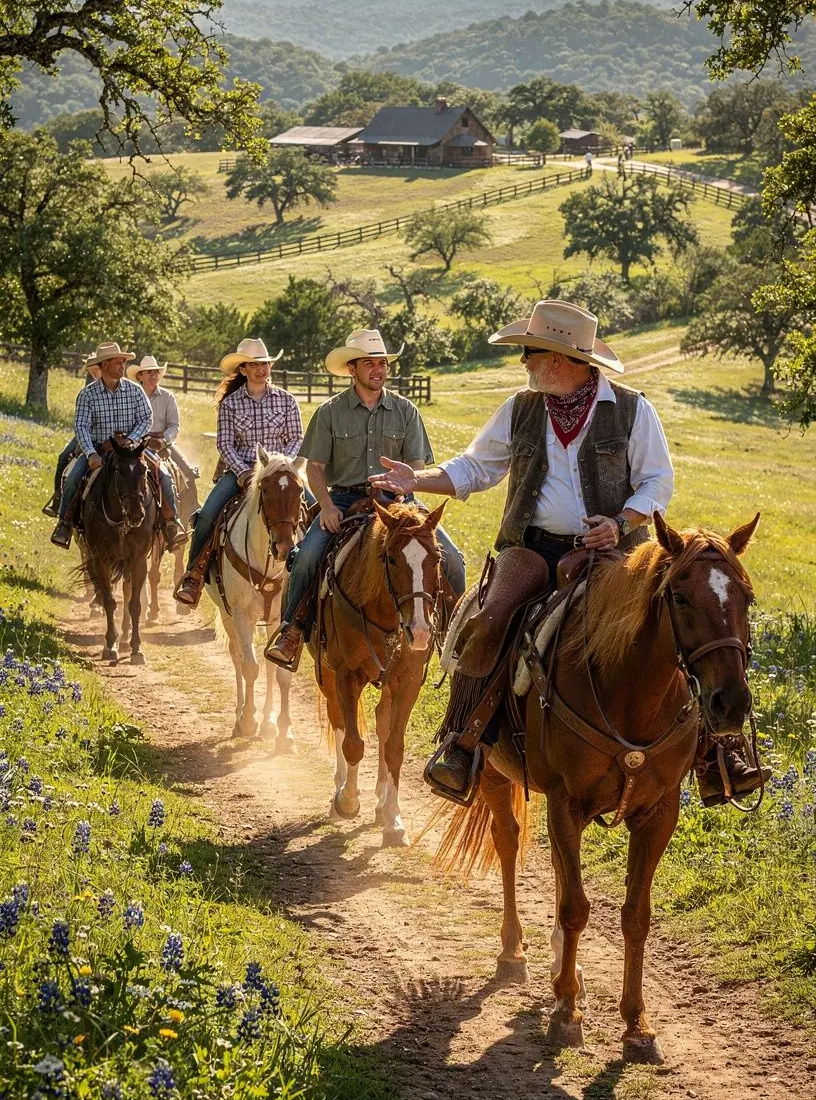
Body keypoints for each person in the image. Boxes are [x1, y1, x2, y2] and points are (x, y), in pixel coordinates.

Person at [369, 298, 766, 808]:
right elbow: (475, 467)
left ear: (558, 360)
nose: (524, 362)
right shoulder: (521, 408)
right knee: (490, 620)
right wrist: (417, 479)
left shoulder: (632, 410)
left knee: (676, 624)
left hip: (616, 554)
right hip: (532, 548)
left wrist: (620, 523)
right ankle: (462, 744)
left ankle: (718, 754)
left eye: (530, 352)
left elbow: (657, 482)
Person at [266, 328, 466, 670]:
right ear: (352, 369)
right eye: (369, 363)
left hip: (398, 499)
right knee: (307, 556)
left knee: (453, 560)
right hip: (345, 499)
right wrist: (327, 507)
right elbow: (315, 468)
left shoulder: (406, 410)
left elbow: (416, 466)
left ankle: (454, 638)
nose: (378, 369)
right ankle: (292, 631)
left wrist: (404, 490)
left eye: (382, 363)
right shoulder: (330, 412)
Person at [174, 338, 303, 608]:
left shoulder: (287, 400)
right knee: (207, 516)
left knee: (315, 511)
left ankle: (313, 581)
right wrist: (244, 473)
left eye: (264, 364)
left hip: (280, 475)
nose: (261, 369)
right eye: (254, 365)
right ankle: (194, 575)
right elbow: (225, 444)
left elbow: (296, 439)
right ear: (243, 369)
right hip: (240, 472)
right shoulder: (231, 404)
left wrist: (281, 465)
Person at [49, 341, 186, 551]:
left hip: (132, 449)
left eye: (123, 362)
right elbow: (81, 427)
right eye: (117, 363)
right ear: (104, 365)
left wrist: (130, 439)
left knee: (164, 475)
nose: (122, 366)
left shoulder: (135, 391)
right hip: (99, 448)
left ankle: (171, 523)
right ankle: (65, 523)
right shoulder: (87, 395)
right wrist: (91, 453)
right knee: (73, 478)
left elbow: (146, 418)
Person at [42, 353, 102, 517]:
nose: (93, 372)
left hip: (103, 437)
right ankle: (57, 501)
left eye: (95, 369)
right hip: (84, 435)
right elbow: (81, 422)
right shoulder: (88, 389)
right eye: (90, 370)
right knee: (64, 457)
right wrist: (82, 443)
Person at [126, 355, 199, 483]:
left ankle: (189, 489)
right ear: (140, 376)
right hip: (137, 443)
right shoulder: (130, 397)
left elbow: (174, 426)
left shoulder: (168, 397)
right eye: (149, 372)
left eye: (155, 372)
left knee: (186, 471)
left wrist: (163, 440)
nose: (153, 375)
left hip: (161, 442)